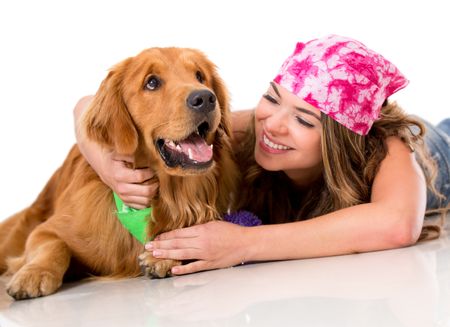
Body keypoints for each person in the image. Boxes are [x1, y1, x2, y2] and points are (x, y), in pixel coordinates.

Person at [74, 35, 450, 276]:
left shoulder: (386, 147)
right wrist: (107, 166)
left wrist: (243, 243)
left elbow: (397, 225)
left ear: (339, 142)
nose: (273, 125)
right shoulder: (251, 127)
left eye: (303, 119)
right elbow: (87, 107)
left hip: (441, 153)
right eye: (272, 98)